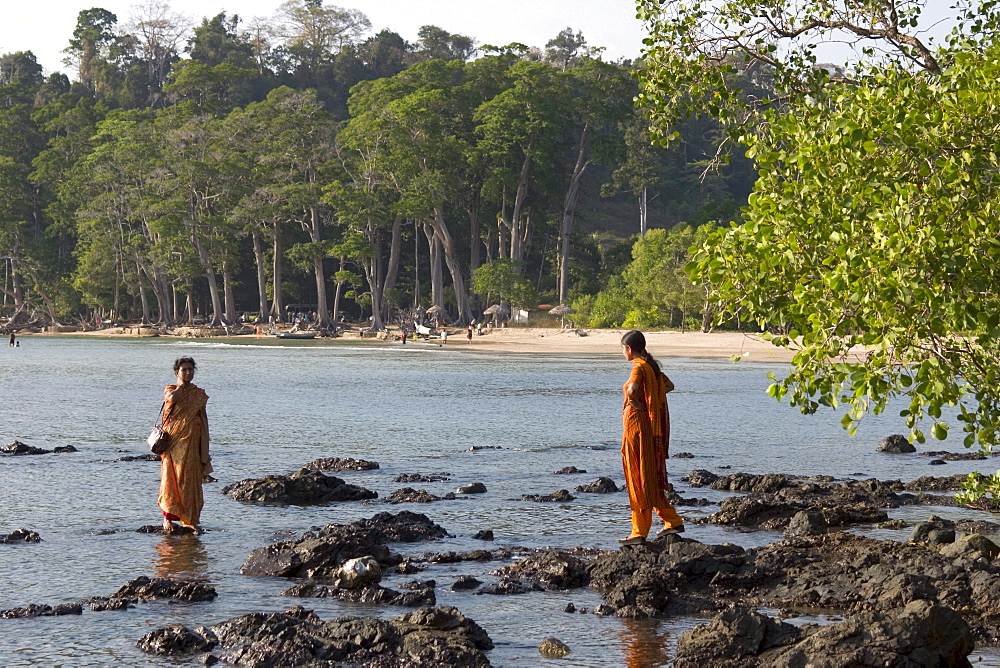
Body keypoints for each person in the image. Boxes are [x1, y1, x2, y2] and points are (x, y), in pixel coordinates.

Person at [618, 330, 683, 545]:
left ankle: (639, 531)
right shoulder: (653, 369)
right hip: (650, 429)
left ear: (629, 349)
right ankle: (672, 521)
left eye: (622, 349)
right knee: (649, 476)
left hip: (638, 429)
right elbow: (669, 386)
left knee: (638, 477)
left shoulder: (638, 367)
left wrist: (636, 403)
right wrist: (652, 400)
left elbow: (633, 389)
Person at [158, 357, 212, 534]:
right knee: (172, 480)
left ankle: (190, 519)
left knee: (191, 481)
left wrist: (204, 445)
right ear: (177, 373)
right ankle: (168, 519)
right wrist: (181, 385)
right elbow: (172, 399)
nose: (188, 372)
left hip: (193, 442)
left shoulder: (199, 394)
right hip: (174, 443)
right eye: (184, 370)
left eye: (190, 369)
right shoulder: (171, 389)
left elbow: (203, 417)